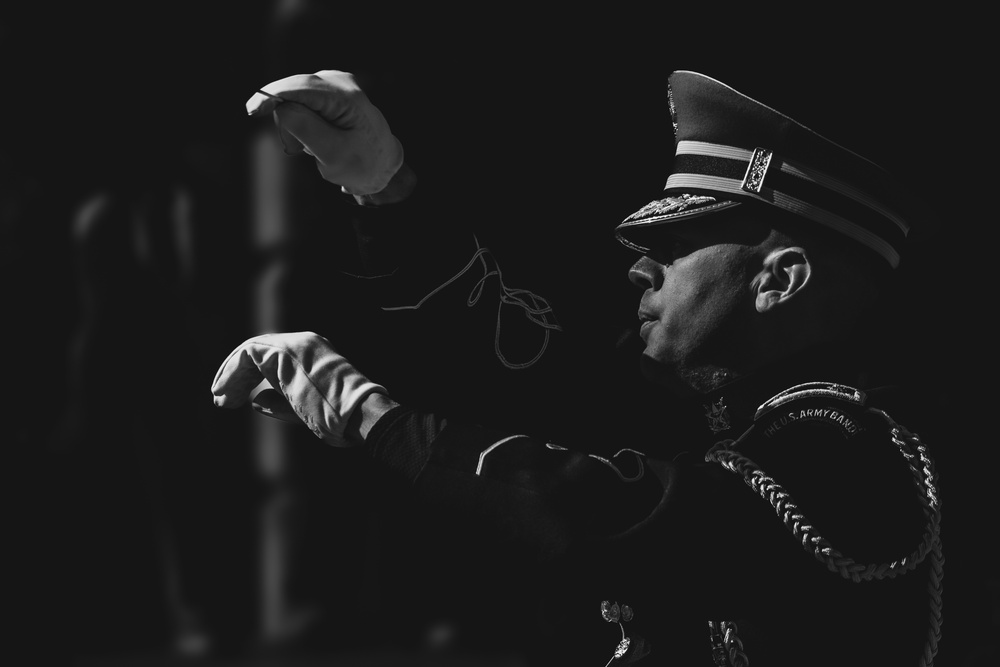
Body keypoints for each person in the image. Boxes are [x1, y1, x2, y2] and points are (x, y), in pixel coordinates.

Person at [211, 69, 944, 666]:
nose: (641, 271)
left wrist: (375, 419)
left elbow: (603, 509)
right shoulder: (716, 414)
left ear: (778, 280)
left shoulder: (856, 449)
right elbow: (529, 361)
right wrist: (387, 187)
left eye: (680, 246)